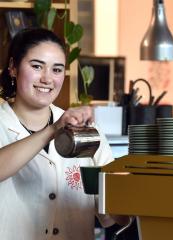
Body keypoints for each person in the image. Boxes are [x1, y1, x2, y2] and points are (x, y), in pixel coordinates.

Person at [0, 28, 128, 239]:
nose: (47, 79)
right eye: (37, 66)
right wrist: (53, 129)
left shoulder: (86, 130)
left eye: (57, 70)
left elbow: (115, 215)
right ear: (13, 67)